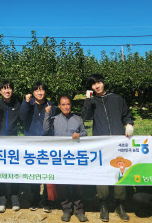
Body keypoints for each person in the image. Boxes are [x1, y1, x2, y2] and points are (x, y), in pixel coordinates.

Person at [81, 74, 133, 222]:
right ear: (90, 88)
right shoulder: (92, 101)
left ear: (103, 83)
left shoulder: (116, 98)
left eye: (98, 83)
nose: (97, 86)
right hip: (102, 143)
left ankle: (119, 204)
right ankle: (103, 203)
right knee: (102, 171)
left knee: (119, 170)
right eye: (93, 84)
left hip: (117, 141)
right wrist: (88, 99)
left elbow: (126, 114)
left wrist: (129, 123)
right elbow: (85, 116)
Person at [43, 94, 88, 222]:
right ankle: (66, 210)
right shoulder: (54, 119)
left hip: (75, 157)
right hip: (61, 157)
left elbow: (85, 132)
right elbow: (46, 129)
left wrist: (79, 134)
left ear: (71, 105)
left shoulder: (78, 119)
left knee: (77, 184)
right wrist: (47, 114)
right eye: (63, 104)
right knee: (62, 185)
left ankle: (79, 210)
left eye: (68, 104)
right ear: (59, 106)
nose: (66, 107)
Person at [19, 81, 56, 212]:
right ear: (33, 93)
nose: (40, 93)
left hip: (46, 144)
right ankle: (35, 197)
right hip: (32, 143)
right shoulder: (29, 104)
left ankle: (47, 199)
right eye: (37, 90)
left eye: (42, 90)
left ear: (45, 92)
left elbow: (52, 125)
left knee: (46, 172)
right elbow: (22, 118)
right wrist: (25, 103)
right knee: (33, 172)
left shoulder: (51, 105)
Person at [0, 80, 21, 213]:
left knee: (14, 169)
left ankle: (14, 196)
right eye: (4, 89)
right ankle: (2, 196)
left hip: (13, 142)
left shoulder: (17, 104)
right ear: (0, 91)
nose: (7, 91)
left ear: (12, 90)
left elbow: (23, 120)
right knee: (0, 169)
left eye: (9, 89)